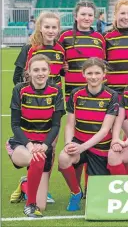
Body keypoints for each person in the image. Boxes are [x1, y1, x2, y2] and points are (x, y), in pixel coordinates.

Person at [10, 11, 65, 205]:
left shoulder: (60, 49)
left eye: (54, 27)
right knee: (31, 145)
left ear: (59, 30)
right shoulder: (30, 48)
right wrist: (30, 96)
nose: (50, 30)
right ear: (40, 27)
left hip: (53, 106)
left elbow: (63, 74)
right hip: (31, 106)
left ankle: (41, 188)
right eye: (47, 27)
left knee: (48, 148)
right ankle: (30, 184)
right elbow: (17, 77)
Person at [5, 54, 65, 217]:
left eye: (44, 69)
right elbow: (15, 125)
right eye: (36, 70)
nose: (40, 73)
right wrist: (30, 145)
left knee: (43, 206)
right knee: (36, 158)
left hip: (44, 145)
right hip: (21, 144)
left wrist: (45, 146)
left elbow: (56, 125)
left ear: (49, 71)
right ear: (29, 72)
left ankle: (26, 184)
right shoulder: (20, 89)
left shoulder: (56, 91)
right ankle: (29, 205)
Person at [58, 58, 119, 211]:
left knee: (97, 200)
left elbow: (105, 130)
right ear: (83, 74)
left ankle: (92, 188)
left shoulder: (112, 96)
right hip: (79, 142)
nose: (93, 76)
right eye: (89, 73)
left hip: (101, 147)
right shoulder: (76, 94)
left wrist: (82, 148)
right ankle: (76, 192)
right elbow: (70, 124)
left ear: (104, 74)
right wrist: (68, 144)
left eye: (97, 73)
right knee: (64, 157)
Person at [59, 0, 106, 101]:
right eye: (83, 14)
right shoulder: (65, 36)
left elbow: (104, 64)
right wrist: (62, 69)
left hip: (96, 91)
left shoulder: (100, 38)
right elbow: (56, 62)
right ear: (76, 16)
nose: (86, 18)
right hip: (73, 90)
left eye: (90, 15)